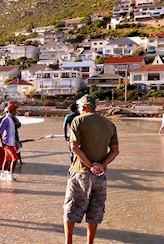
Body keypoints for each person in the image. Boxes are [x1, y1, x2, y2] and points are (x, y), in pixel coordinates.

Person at [63, 94, 119, 244]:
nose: (79, 110)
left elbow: (74, 148)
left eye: (80, 107)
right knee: (95, 210)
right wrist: (100, 165)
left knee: (71, 208)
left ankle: (69, 242)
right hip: (100, 175)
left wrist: (90, 165)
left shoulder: (78, 121)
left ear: (84, 107)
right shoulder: (109, 124)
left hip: (80, 172)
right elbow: (115, 151)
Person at [0, 103, 21, 179]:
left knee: (7, 159)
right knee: (15, 158)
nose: (16, 112)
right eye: (15, 110)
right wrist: (2, 143)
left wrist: (15, 143)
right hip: (7, 143)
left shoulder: (11, 119)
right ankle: (11, 175)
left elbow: (12, 133)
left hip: (10, 142)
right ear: (12, 110)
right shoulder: (6, 119)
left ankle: (3, 174)